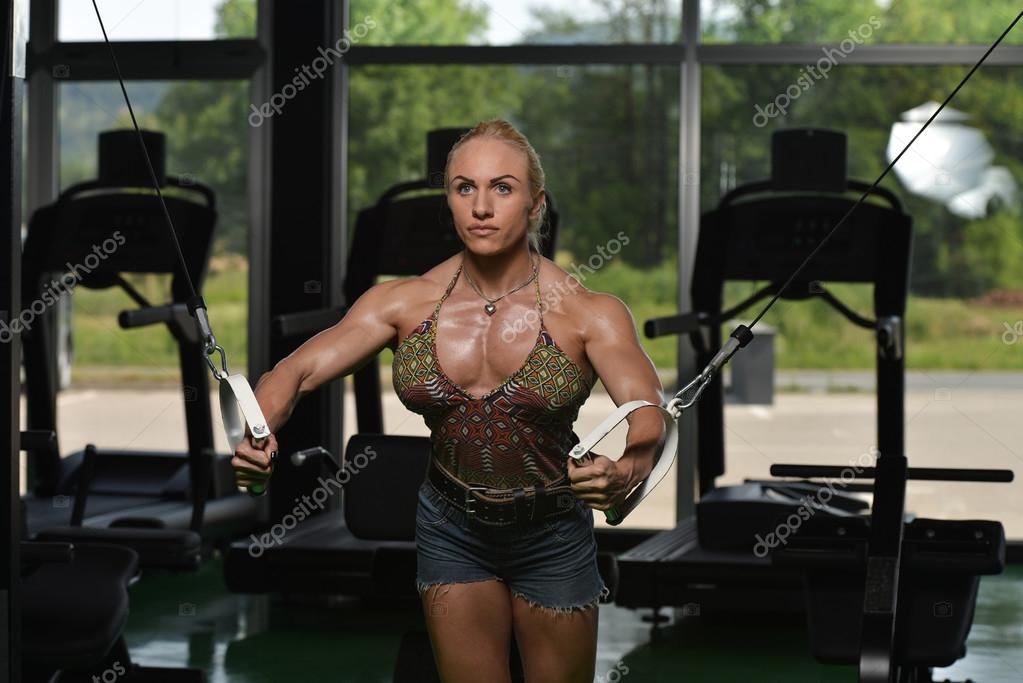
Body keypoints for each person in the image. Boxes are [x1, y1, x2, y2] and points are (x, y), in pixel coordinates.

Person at [232, 118, 667, 682]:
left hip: (552, 529)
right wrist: (255, 435)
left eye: (502, 188)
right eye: (465, 188)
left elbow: (649, 410)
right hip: (451, 526)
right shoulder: (403, 302)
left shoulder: (587, 312)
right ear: (450, 200)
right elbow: (295, 370)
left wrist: (627, 470)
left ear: (535, 204)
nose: (481, 207)